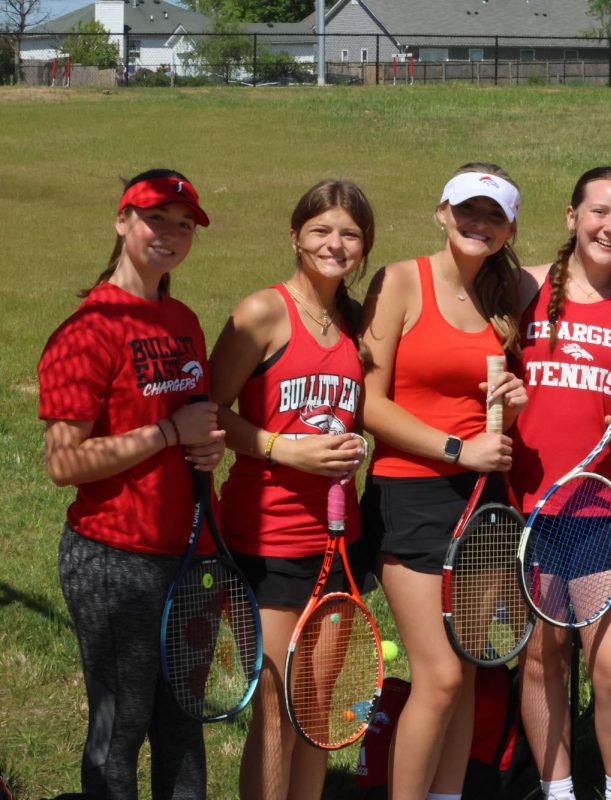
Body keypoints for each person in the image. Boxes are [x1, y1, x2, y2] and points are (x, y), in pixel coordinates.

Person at [38, 169, 224, 799]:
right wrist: (170, 432)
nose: (169, 234)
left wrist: (205, 445)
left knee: (183, 724)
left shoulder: (182, 319)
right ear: (122, 221)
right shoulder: (86, 332)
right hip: (118, 559)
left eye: (183, 224)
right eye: (155, 218)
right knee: (122, 727)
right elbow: (64, 463)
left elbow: (188, 418)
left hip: (192, 552)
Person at [359, 163, 528, 800]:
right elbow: (369, 403)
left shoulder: (501, 295)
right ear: (441, 212)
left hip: (484, 499)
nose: (477, 224)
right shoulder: (401, 281)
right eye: (467, 210)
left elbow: (496, 403)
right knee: (439, 676)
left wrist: (512, 404)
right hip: (412, 492)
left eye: (493, 215)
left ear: (510, 227)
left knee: (465, 669)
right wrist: (459, 449)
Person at [207, 180, 375, 800]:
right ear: (295, 236)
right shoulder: (262, 313)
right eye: (322, 230)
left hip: (338, 539)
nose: (336, 244)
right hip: (268, 536)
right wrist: (285, 447)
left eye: (350, 233)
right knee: (276, 707)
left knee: (315, 704)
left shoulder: (359, 324)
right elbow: (208, 412)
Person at [510, 167, 611, 800]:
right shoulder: (522, 286)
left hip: (607, 511)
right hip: (531, 507)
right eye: (599, 212)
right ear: (572, 216)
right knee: (543, 659)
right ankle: (558, 790)